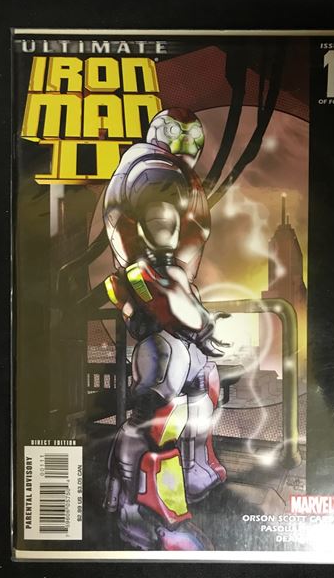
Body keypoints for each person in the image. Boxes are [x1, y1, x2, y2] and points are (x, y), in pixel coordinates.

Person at [102, 108, 229, 550]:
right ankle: (148, 517)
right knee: (161, 416)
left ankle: (194, 472)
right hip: (162, 318)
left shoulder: (155, 169)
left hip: (168, 309)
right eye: (179, 135)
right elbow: (159, 262)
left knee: (202, 385)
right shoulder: (156, 173)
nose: (188, 145)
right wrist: (197, 320)